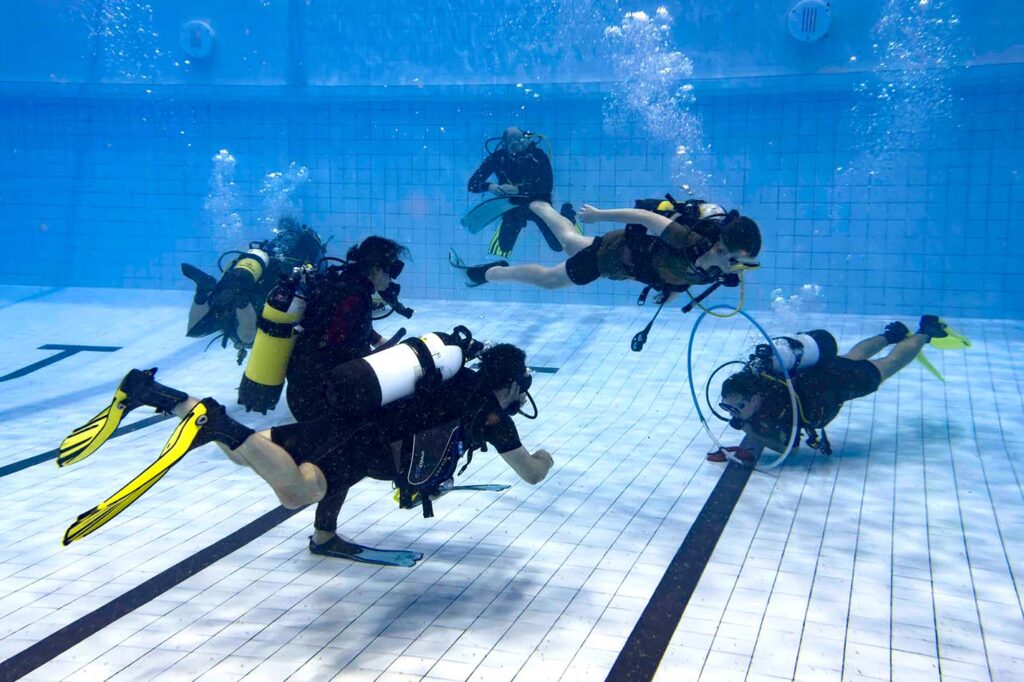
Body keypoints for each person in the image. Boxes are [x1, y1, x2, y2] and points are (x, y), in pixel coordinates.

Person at [59, 332, 554, 567]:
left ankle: (157, 396)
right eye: (522, 386)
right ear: (509, 383)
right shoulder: (487, 413)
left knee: (249, 454)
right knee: (301, 489)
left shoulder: (451, 377)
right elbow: (530, 473)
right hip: (359, 441)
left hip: (349, 425)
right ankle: (211, 420)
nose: (521, 397)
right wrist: (548, 458)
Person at [711, 315, 959, 462]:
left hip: (835, 384)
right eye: (729, 407)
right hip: (823, 371)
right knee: (853, 356)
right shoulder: (758, 378)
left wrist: (748, 431)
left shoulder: (775, 400)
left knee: (888, 364)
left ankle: (925, 332)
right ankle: (890, 334)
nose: (734, 412)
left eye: (739, 407)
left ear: (755, 397)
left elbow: (790, 449)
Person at [452, 198, 761, 302]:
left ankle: (542, 207)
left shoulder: (716, 270)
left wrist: (670, 293)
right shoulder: (688, 239)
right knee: (549, 280)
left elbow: (683, 277)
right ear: (719, 246)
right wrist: (599, 215)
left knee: (571, 242)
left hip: (623, 260)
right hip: (611, 257)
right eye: (734, 260)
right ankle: (491, 272)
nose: (735, 269)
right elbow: (644, 218)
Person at [181, 217, 326, 358]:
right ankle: (242, 303)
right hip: (257, 299)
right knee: (248, 339)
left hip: (236, 287)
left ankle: (202, 293)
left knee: (196, 330)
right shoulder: (312, 249)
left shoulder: (270, 247)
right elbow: (318, 282)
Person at [466, 126, 564, 257]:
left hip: (539, 202)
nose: (520, 147)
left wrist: (518, 189)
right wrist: (490, 186)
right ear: (505, 145)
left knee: (558, 246)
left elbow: (547, 186)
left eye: (522, 141)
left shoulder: (538, 155)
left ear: (526, 139)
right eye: (514, 144)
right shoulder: (498, 158)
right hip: (513, 205)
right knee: (504, 247)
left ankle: (568, 215)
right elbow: (472, 185)